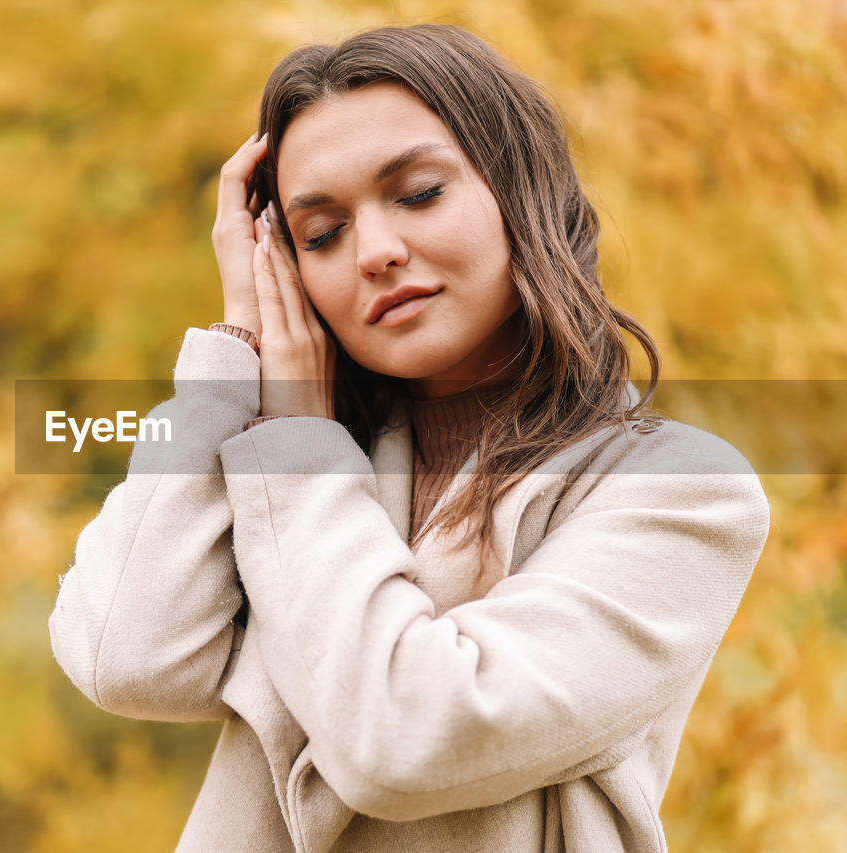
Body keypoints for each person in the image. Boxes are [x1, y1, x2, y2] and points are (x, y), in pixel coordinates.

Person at [48, 23, 769, 853]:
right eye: (320, 235)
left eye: (419, 193)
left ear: (518, 192)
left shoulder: (680, 490)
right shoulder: (297, 465)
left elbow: (405, 739)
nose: (377, 253)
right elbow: (126, 654)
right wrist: (239, 346)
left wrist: (298, 447)